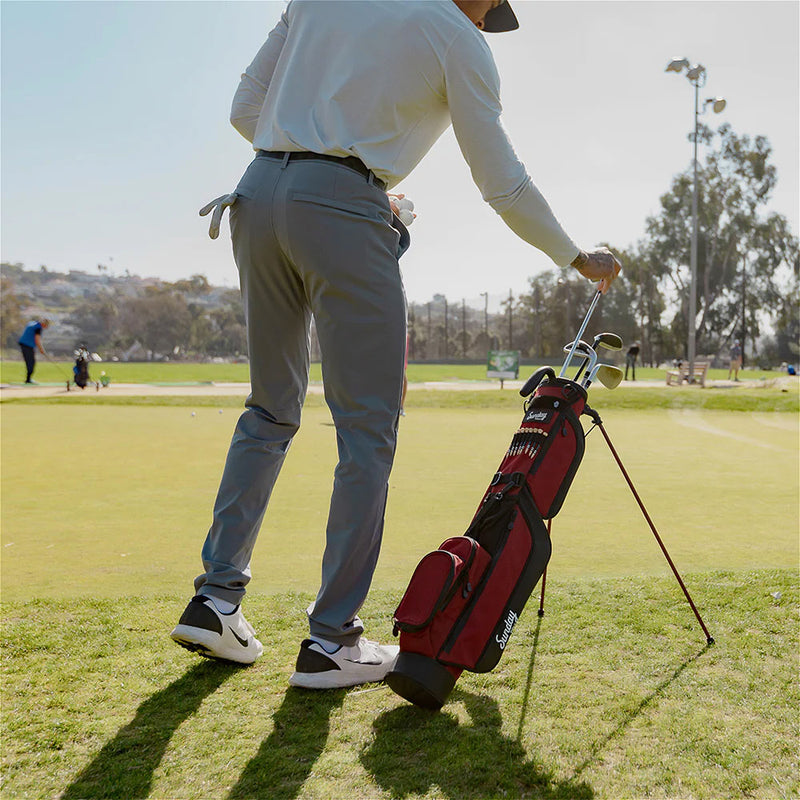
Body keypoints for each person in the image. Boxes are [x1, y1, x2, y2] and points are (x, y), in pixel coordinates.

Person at [171, 0, 621, 690]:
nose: (485, 22)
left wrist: (312, 148)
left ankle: (215, 599)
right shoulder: (458, 40)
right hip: (344, 208)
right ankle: (331, 642)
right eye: (490, 9)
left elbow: (245, 108)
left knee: (269, 410)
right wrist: (573, 254)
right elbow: (503, 184)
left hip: (257, 195)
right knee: (367, 427)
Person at [17, 318, 50, 384]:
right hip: (27, 346)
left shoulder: (32, 323)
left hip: (24, 344)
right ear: (44, 324)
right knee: (31, 362)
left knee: (30, 362)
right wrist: (41, 350)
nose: (45, 327)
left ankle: (28, 379)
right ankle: (28, 379)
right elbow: (37, 340)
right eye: (46, 326)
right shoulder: (38, 328)